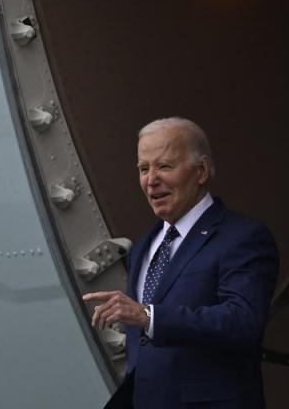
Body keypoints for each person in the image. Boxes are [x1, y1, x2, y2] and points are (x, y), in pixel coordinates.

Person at [83, 117, 278, 409]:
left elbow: (242, 322)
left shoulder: (242, 237)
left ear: (200, 171)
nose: (151, 179)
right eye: (143, 169)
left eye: (164, 166)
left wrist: (149, 317)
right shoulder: (144, 247)